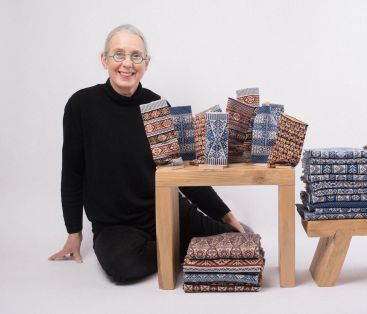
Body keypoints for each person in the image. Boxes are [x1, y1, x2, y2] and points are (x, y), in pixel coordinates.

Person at [49, 24, 246, 284]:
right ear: (104, 59)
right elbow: (73, 172)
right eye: (119, 54)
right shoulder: (81, 105)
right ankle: (186, 250)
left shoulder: (158, 107)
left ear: (146, 63)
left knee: (238, 242)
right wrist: (74, 233)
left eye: (136, 56)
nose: (127, 64)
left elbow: (181, 172)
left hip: (170, 211)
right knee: (123, 268)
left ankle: (178, 244)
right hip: (116, 227)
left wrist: (226, 215)